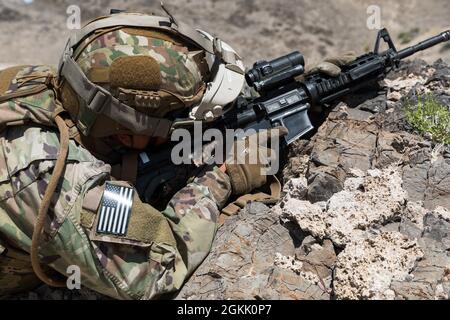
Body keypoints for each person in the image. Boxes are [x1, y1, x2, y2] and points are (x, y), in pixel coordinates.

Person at [0, 11, 352, 299]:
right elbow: (152, 272)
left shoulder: (52, 91)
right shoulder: (54, 178)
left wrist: (290, 92)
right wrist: (222, 177)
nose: (186, 129)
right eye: (175, 121)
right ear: (126, 131)